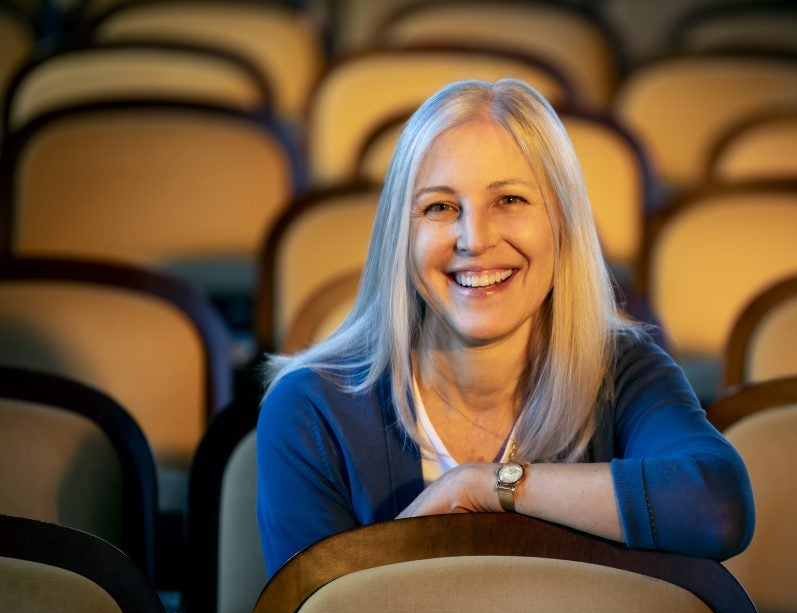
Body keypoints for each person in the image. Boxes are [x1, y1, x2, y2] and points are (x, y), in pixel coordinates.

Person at [257, 78, 754, 577]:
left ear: (561, 222)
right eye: (440, 207)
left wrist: (486, 486)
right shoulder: (310, 410)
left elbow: (717, 508)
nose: (474, 239)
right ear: (401, 236)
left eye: (509, 201)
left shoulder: (623, 371)